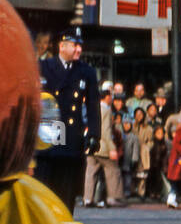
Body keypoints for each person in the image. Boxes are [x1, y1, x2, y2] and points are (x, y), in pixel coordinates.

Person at [37, 29, 100, 210]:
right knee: (45, 189)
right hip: (48, 138)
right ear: (62, 46)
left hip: (72, 138)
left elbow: (93, 105)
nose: (79, 50)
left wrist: (95, 134)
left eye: (80, 45)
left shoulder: (86, 72)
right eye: (75, 45)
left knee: (67, 192)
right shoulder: (44, 67)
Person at [85, 88, 123, 207]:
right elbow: (105, 131)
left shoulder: (92, 108)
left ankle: (88, 198)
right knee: (113, 170)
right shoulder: (106, 110)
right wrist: (112, 148)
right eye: (110, 96)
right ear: (106, 97)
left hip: (90, 145)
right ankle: (113, 197)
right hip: (103, 146)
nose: (112, 98)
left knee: (91, 172)